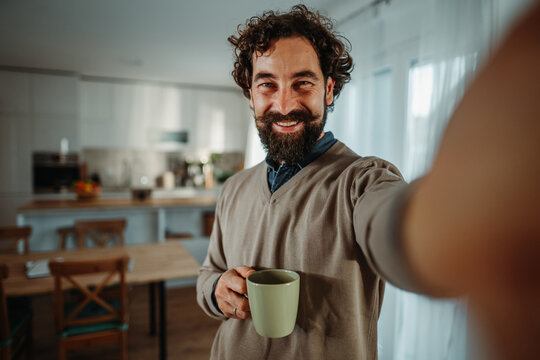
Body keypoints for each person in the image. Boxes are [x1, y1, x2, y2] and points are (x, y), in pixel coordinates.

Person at [197, 3, 540, 360]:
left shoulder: (361, 180)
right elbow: (208, 272)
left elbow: (394, 227)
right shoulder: (234, 189)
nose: (284, 103)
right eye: (267, 84)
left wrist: (453, 220)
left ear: (328, 90)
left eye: (303, 83)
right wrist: (216, 289)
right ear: (251, 95)